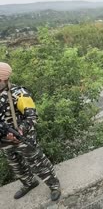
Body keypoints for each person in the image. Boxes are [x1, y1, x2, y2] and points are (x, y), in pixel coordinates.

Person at [0, 62, 61, 201]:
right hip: (4, 141)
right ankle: (29, 183)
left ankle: (54, 185)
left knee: (38, 162)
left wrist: (19, 131)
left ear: (3, 79)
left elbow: (32, 117)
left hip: (22, 137)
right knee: (16, 165)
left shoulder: (19, 94)